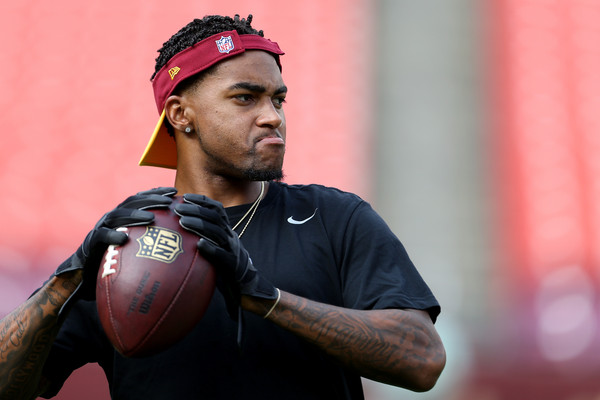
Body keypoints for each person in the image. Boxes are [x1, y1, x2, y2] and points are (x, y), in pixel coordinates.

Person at [0, 14, 446, 399]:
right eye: (245, 98)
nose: (273, 116)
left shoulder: (335, 218)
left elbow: (422, 360)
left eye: (278, 99)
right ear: (180, 114)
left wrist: (267, 299)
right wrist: (67, 281)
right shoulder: (127, 243)